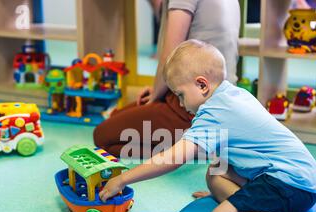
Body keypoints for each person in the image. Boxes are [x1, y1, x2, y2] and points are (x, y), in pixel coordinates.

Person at [99, 40, 316, 212]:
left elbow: (174, 157)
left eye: (181, 95)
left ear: (202, 85)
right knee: (217, 170)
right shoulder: (232, 94)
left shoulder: (214, 112)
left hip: (289, 184)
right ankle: (247, 207)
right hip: (299, 177)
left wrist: (123, 179)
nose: (181, 104)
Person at [93, 0, 241, 158]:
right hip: (221, 101)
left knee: (102, 137)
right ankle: (194, 146)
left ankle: (196, 150)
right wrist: (157, 90)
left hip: (195, 108)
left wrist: (156, 96)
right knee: (116, 116)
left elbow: (170, 55)